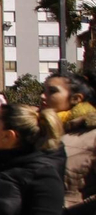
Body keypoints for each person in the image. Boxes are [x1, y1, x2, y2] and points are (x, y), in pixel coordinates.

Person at [43, 73, 96, 207]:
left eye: (52, 91)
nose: (43, 96)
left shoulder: (92, 135)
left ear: (76, 98)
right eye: (43, 91)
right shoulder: (39, 132)